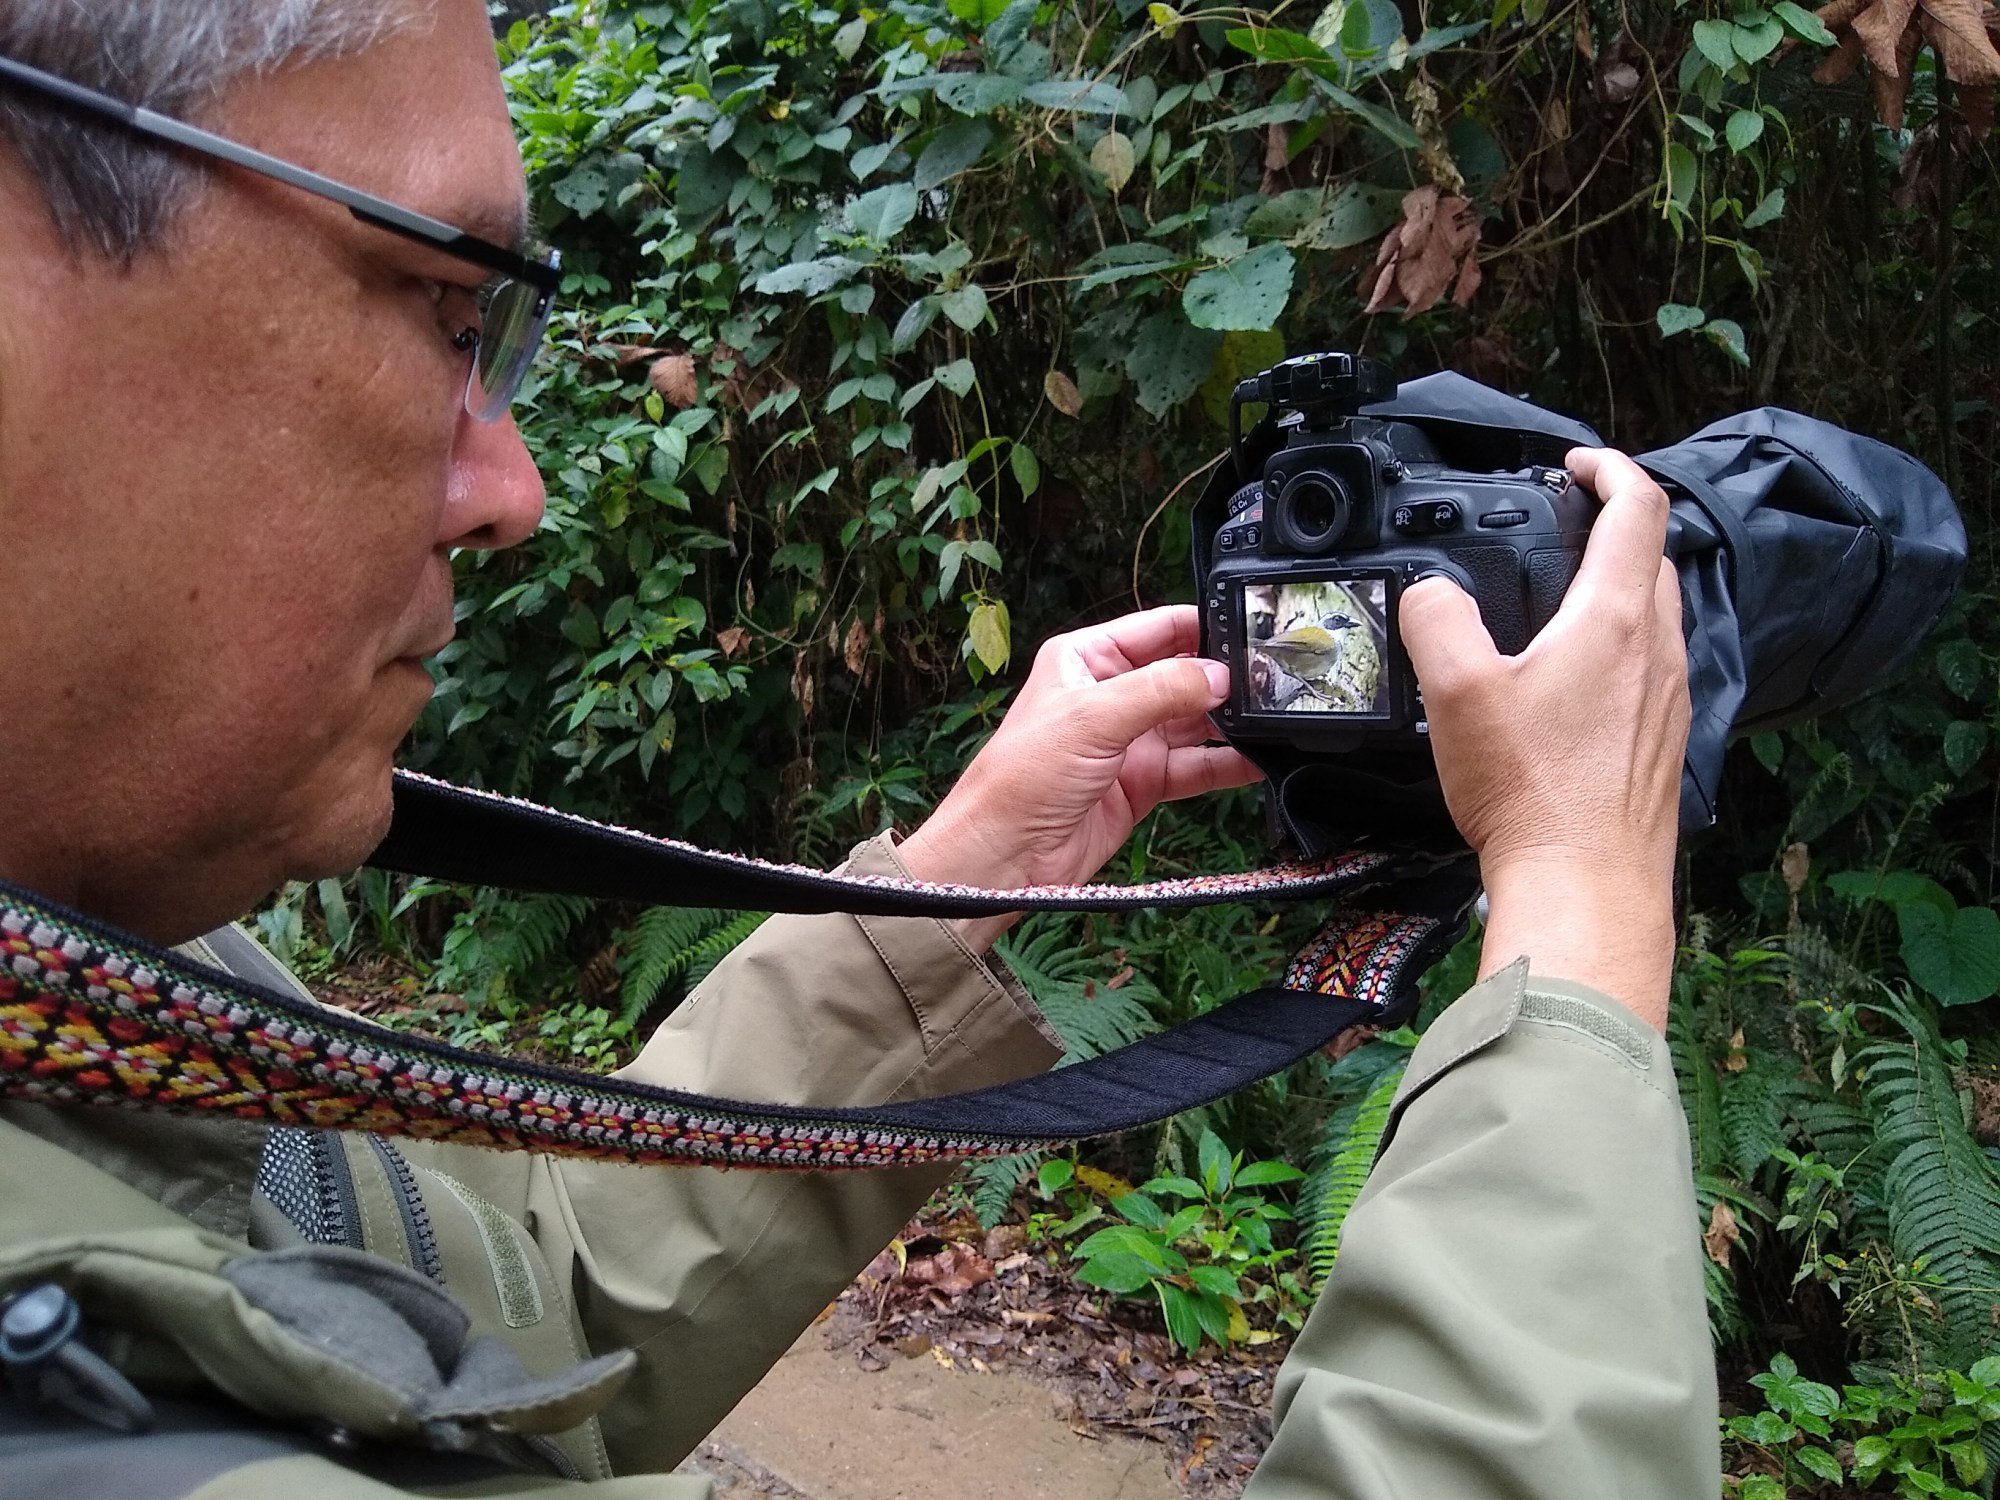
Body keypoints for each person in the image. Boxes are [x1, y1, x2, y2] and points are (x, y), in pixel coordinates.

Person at [0, 2, 1714, 1496]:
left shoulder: (82, 979)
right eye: (449, 308)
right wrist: (1577, 917)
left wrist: (959, 881)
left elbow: (508, 1330)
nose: (508, 489)